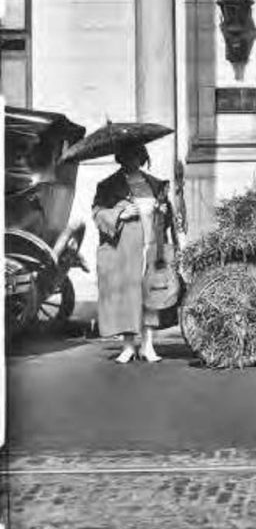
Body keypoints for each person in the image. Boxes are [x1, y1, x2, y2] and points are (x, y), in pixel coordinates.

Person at [92, 142, 174, 363]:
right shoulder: (108, 185)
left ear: (142, 157)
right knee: (127, 295)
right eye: (128, 156)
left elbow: (167, 220)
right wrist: (120, 213)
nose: (133, 160)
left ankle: (148, 345)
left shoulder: (155, 185)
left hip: (151, 246)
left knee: (152, 295)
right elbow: (98, 213)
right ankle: (128, 346)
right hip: (125, 249)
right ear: (120, 158)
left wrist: (165, 212)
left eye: (137, 155)